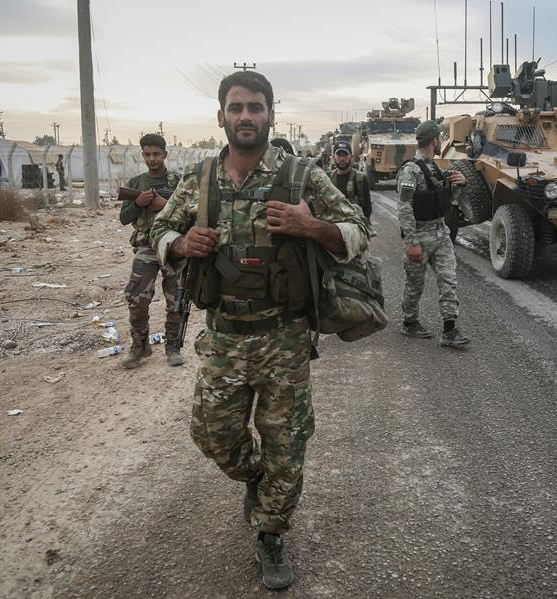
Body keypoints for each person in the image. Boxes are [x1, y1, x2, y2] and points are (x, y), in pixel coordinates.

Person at [150, 70, 369, 590]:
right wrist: (181, 245)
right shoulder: (200, 178)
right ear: (221, 116)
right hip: (224, 337)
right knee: (213, 436)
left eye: (255, 107)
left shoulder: (300, 177)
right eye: (236, 107)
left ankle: (271, 531)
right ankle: (256, 479)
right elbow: (159, 229)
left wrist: (308, 225)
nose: (245, 116)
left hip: (284, 340)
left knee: (287, 444)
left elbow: (359, 229)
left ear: (271, 113)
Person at [396, 120, 470, 348]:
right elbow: (405, 208)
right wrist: (412, 243)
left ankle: (450, 330)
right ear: (435, 141)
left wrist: (459, 184)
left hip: (440, 233)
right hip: (419, 235)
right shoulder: (410, 171)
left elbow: (446, 200)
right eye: (440, 139)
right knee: (415, 284)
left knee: (448, 280)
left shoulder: (435, 168)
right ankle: (409, 323)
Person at [118, 133, 183, 369]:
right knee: (136, 298)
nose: (152, 158)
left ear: (165, 154)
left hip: (174, 245)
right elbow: (124, 218)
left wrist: (164, 206)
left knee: (176, 300)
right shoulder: (137, 183)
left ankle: (173, 347)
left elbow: (193, 212)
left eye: (156, 154)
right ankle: (139, 346)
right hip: (146, 247)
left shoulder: (179, 181)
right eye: (147, 154)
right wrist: (138, 204)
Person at [327, 141, 371, 220]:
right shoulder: (327, 178)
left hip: (354, 223)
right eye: (339, 155)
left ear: (351, 157)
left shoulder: (361, 178)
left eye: (345, 155)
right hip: (333, 223)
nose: (342, 158)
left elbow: (367, 209)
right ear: (333, 157)